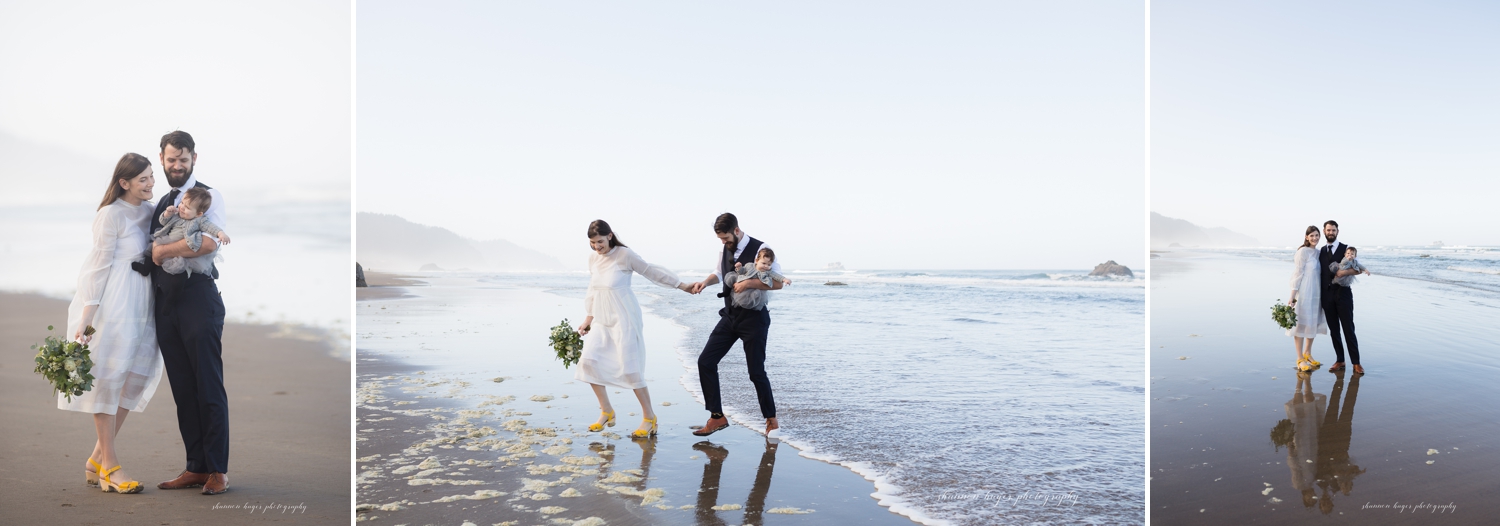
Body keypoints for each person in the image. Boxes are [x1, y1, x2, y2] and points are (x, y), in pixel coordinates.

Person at [61, 153, 164, 495]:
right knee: (109, 381)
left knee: (132, 380)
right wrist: (87, 318)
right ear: (124, 183)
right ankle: (111, 467)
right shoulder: (109, 215)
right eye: (144, 179)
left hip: (144, 303)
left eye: (151, 177)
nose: (151, 183)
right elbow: (98, 265)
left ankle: (95, 461)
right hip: (115, 305)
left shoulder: (151, 212)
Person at [149, 131, 232, 495]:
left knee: (208, 385)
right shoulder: (164, 200)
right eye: (171, 160)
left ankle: (217, 471)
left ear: (194, 159)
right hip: (167, 303)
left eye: (183, 159)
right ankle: (195, 467)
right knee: (183, 388)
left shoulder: (208, 197)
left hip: (199, 299)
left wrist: (164, 253)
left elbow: (210, 242)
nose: (177, 165)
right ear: (163, 160)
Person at [575, 219, 692, 439]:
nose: (596, 247)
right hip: (601, 318)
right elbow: (593, 289)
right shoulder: (593, 259)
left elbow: (650, 272)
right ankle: (607, 411)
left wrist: (681, 285)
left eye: (599, 241)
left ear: (610, 236)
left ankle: (649, 418)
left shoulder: (624, 255)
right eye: (592, 243)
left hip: (624, 317)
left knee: (630, 369)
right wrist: (588, 318)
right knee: (588, 363)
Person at [685, 213, 783, 437]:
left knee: (756, 372)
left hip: (754, 319)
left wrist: (749, 282)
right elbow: (719, 273)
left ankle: (772, 420)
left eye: (726, 238)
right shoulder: (724, 248)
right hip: (730, 315)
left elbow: (778, 284)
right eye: (720, 239)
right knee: (706, 361)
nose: (723, 242)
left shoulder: (763, 248)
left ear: (737, 231)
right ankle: (717, 417)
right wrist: (705, 283)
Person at [150, 187, 230, 277]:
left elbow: (211, 228)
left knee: (177, 274)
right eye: (182, 203)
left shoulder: (199, 221)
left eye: (187, 207)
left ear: (198, 214)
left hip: (183, 249)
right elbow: (163, 221)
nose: (182, 208)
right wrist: (167, 214)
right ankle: (144, 267)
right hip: (167, 241)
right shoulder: (176, 215)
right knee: (150, 252)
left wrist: (221, 234)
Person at [1319, 221, 1363, 375]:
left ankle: (1356, 363)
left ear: (1338, 231)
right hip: (1327, 295)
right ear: (1324, 231)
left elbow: (1358, 270)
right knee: (1334, 330)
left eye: (1333, 230)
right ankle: (1340, 360)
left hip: (1343, 293)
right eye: (1328, 230)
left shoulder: (1347, 249)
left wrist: (1344, 273)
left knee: (1348, 328)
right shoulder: (1321, 251)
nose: (1331, 232)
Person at [1287, 226, 1328, 371]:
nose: (1315, 238)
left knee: (1312, 322)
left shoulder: (1318, 253)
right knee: (1301, 324)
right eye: (1312, 235)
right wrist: (1292, 296)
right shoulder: (1302, 252)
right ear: (1306, 237)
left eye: (1317, 235)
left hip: (1316, 293)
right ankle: (1299, 358)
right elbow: (1297, 274)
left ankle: (1308, 353)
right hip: (1304, 292)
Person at [724, 248, 791, 311]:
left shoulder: (768, 271)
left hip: (753, 290)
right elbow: (742, 272)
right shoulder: (749, 265)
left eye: (769, 264)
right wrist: (739, 268)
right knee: (731, 278)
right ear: (757, 260)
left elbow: (777, 276)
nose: (766, 266)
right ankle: (725, 293)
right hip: (742, 281)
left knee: (753, 298)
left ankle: (748, 307)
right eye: (764, 263)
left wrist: (784, 279)